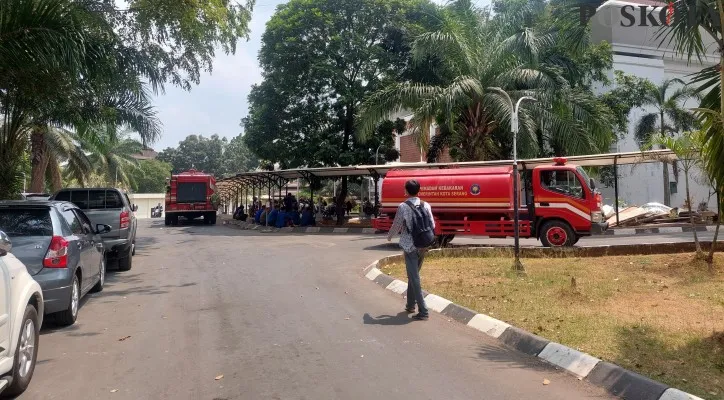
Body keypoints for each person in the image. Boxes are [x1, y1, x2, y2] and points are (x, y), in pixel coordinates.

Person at [387, 179, 434, 321]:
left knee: (414, 277)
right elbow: (432, 224)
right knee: (412, 275)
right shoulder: (426, 205)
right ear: (419, 190)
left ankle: (424, 311)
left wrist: (389, 236)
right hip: (423, 245)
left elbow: (397, 225)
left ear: (406, 191)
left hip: (410, 246)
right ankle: (410, 305)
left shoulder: (403, 206)